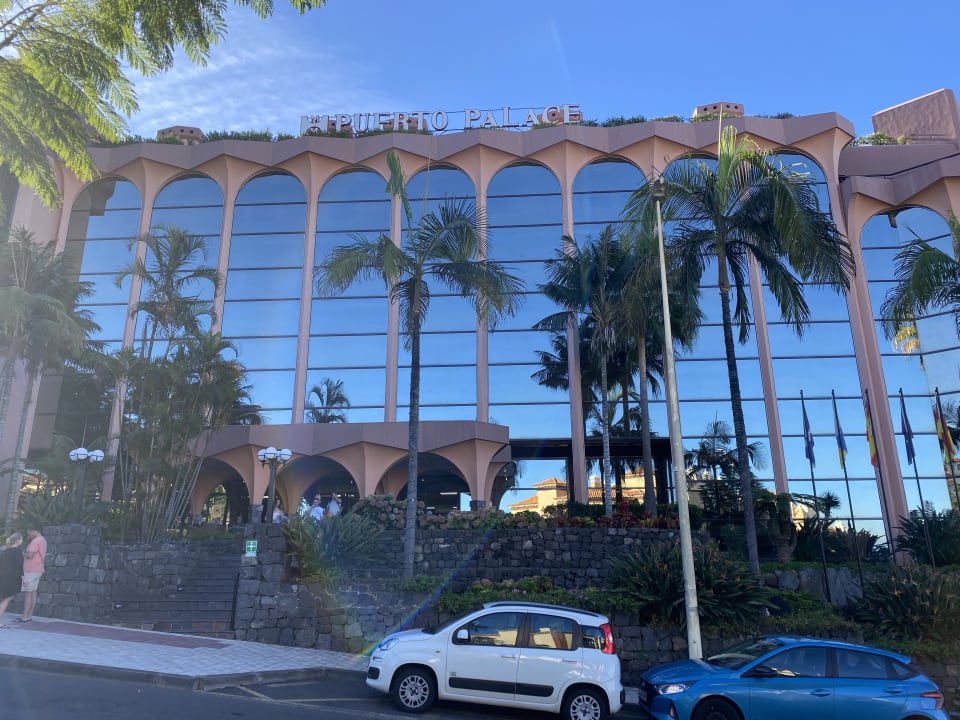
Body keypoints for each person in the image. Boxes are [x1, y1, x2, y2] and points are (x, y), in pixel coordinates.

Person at [18, 527, 46, 623]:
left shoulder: (35, 541)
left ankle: (25, 616)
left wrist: (21, 554)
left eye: (29, 532)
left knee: (28, 593)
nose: (28, 535)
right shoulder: (43, 540)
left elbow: (30, 555)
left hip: (30, 570)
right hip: (38, 569)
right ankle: (29, 615)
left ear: (34, 530)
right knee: (33, 592)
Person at [0, 533, 24, 628]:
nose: (22, 541)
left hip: (3, 577)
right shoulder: (17, 552)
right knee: (7, 598)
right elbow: (19, 567)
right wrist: (23, 578)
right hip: (11, 579)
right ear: (17, 541)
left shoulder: (5, 551)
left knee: (5, 598)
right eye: (21, 539)